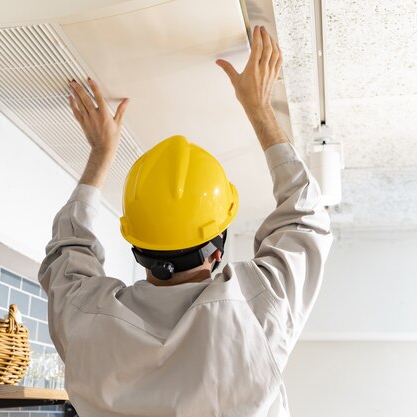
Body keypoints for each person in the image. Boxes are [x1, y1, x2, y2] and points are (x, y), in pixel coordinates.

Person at [39, 25, 332, 417]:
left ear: (136, 243)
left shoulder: (87, 321)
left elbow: (306, 216)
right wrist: (259, 110)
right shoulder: (255, 314)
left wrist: (100, 154)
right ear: (217, 250)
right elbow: (306, 217)